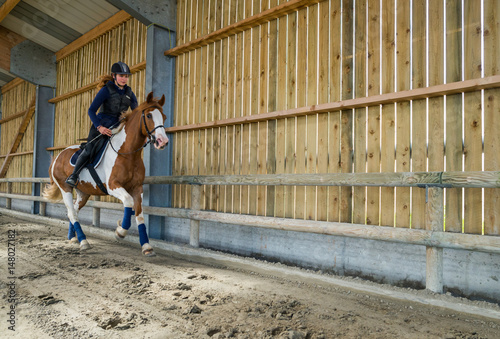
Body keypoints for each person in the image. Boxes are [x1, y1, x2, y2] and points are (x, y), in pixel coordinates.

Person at [65, 61, 138, 187]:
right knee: (89, 149)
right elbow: (91, 110)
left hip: (118, 127)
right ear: (114, 76)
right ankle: (74, 175)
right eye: (121, 75)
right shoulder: (106, 90)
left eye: (126, 76)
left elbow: (136, 112)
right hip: (102, 125)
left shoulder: (129, 93)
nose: (124, 79)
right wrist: (100, 127)